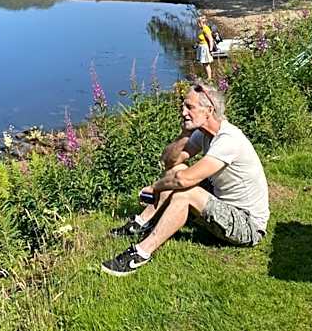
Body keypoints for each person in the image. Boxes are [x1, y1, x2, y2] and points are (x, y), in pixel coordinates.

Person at [101, 81, 270, 276]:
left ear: (209, 110)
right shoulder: (204, 134)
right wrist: (184, 134)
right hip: (224, 203)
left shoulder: (228, 139)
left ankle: (141, 253)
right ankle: (142, 222)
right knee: (177, 170)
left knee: (185, 192)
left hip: (248, 225)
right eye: (183, 106)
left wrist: (155, 187)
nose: (183, 112)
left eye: (189, 107)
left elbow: (183, 181)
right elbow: (169, 162)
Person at [196, 15, 216, 79]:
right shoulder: (201, 29)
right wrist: (197, 44)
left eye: (198, 23)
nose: (198, 24)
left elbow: (211, 40)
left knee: (206, 64)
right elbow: (200, 38)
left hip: (205, 47)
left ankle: (209, 78)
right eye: (198, 23)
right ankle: (206, 77)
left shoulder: (206, 29)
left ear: (202, 23)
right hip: (201, 47)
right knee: (203, 63)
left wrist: (210, 50)